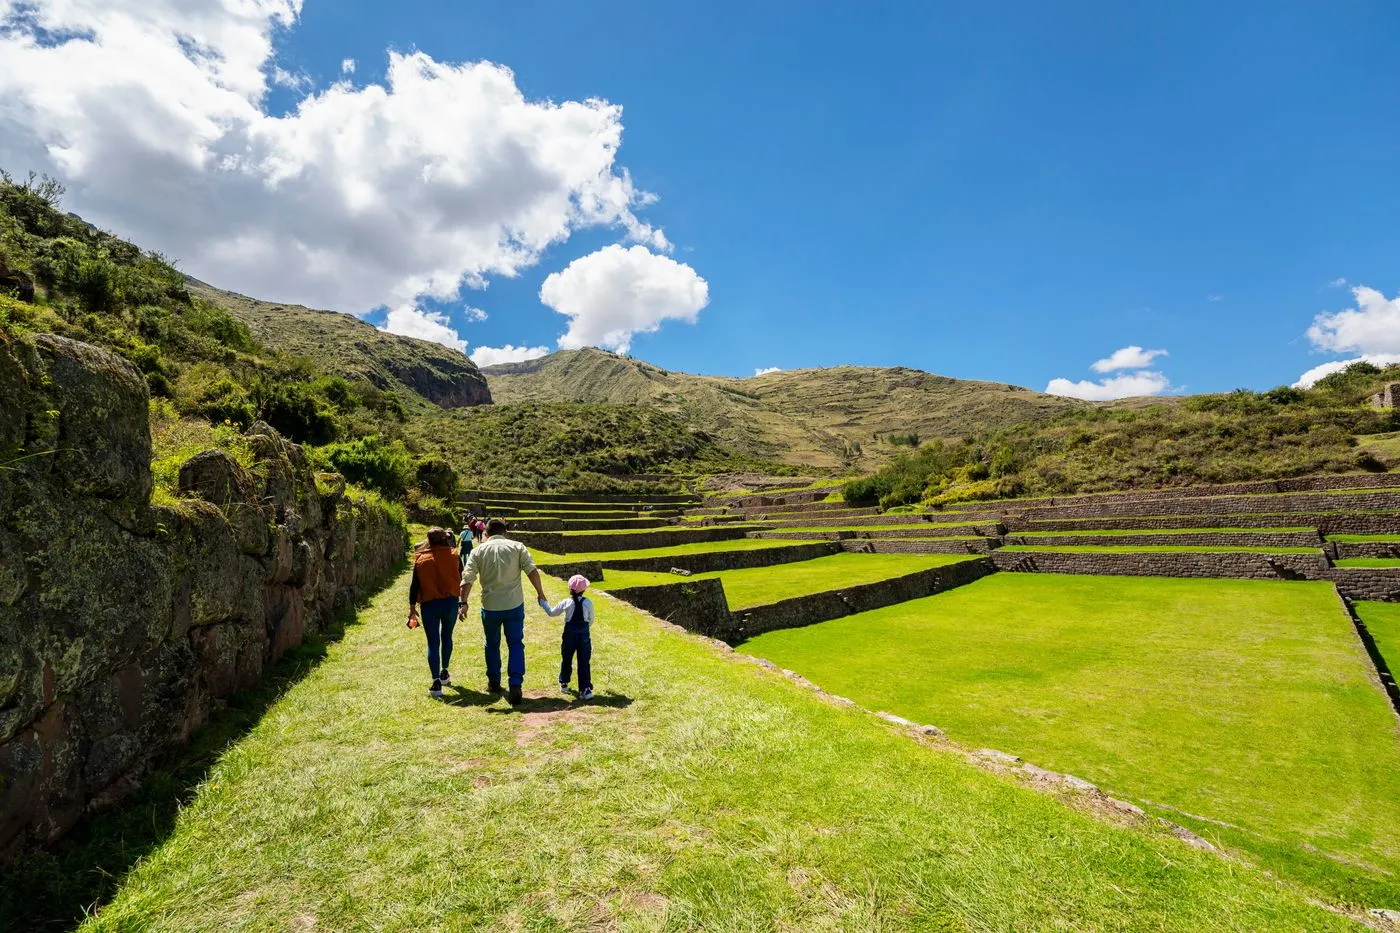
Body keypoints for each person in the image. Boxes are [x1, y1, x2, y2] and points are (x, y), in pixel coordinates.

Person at [459, 518, 549, 704]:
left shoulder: (478, 551)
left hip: (490, 606)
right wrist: (540, 593)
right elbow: (531, 570)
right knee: (516, 643)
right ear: (505, 532)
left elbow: (467, 578)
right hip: (514, 604)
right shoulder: (517, 547)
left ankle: (494, 681)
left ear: (486, 534)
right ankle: (515, 683)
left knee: (491, 644)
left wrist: (463, 602)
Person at [407, 527, 462, 698]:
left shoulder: (421, 559)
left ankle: (436, 681)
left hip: (429, 604)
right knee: (447, 636)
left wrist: (411, 609)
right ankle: (444, 671)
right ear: (445, 539)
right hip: (450, 602)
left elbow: (414, 585)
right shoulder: (454, 555)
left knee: (433, 643)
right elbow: (460, 577)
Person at [539, 574, 594, 700]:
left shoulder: (566, 602)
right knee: (584, 661)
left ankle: (564, 682)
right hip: (583, 635)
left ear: (570, 589)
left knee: (566, 658)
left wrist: (543, 602)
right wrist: (584, 628)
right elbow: (591, 620)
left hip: (569, 634)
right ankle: (585, 689)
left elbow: (552, 612)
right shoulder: (588, 603)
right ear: (584, 589)